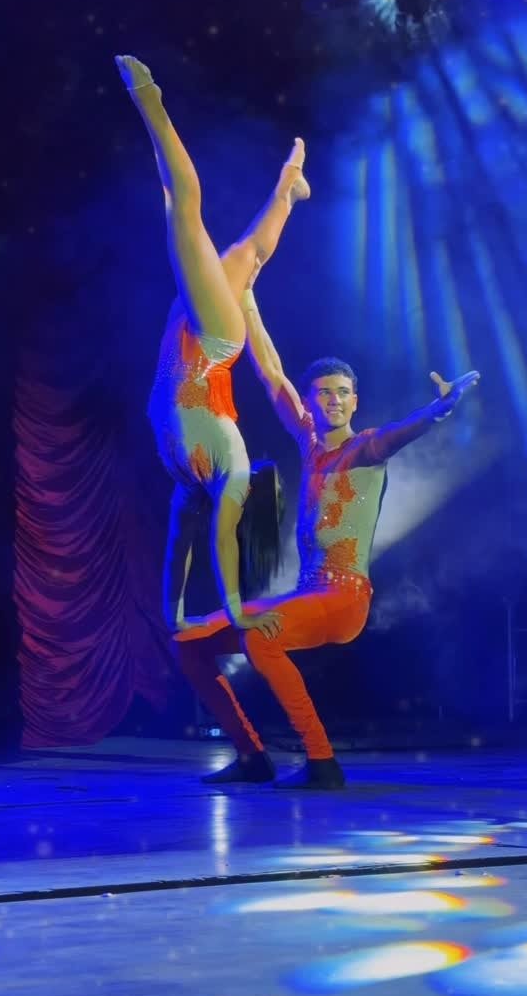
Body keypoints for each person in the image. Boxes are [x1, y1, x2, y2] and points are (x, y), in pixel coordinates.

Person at [172, 270, 480, 789]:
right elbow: (272, 374)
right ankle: (251, 757)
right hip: (306, 594)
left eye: (342, 393)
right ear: (311, 401)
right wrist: (247, 301)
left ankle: (322, 762)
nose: (333, 400)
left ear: (355, 401)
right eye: (323, 393)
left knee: (261, 639)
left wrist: (437, 412)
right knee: (190, 642)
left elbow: (399, 435)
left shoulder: (364, 449)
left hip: (343, 600)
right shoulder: (310, 445)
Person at [114, 55, 310, 636]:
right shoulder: (235, 471)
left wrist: (173, 616)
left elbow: (180, 547)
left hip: (189, 336)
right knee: (184, 210)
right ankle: (149, 99)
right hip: (213, 339)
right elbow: (222, 540)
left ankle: (289, 187)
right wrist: (236, 611)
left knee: (248, 256)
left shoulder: (187, 484)